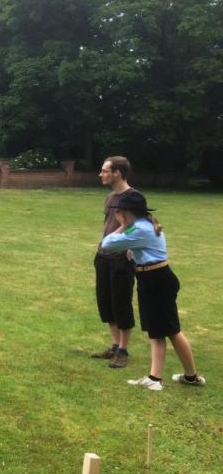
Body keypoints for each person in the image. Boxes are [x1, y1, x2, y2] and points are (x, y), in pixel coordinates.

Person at [100, 191, 205, 391]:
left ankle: (184, 377)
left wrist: (122, 226)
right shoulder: (144, 226)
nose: (116, 215)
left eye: (119, 213)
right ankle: (159, 377)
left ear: (127, 212)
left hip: (156, 281)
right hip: (151, 278)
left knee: (172, 330)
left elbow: (107, 244)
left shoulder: (139, 229)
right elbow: (140, 250)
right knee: (157, 331)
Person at [91, 156, 137, 369]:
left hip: (122, 260)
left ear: (117, 172)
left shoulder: (134, 198)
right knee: (106, 302)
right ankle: (114, 344)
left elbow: (138, 228)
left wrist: (130, 248)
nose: (101, 174)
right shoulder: (109, 198)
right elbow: (108, 225)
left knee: (121, 303)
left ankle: (123, 350)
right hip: (104, 257)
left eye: (104, 170)